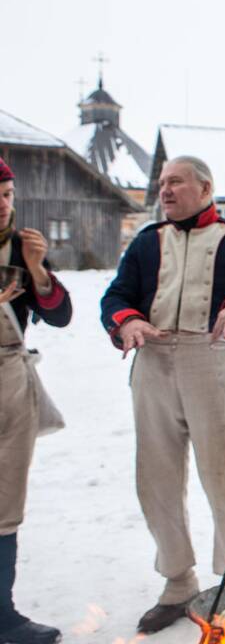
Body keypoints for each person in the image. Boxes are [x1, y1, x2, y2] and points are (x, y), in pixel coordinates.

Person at [100, 156, 225, 634]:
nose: (165, 190)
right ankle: (178, 581)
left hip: (214, 360)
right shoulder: (146, 243)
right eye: (162, 183)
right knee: (157, 478)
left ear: (205, 187)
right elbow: (115, 299)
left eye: (175, 181)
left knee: (223, 474)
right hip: (154, 361)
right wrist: (129, 320)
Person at [0, 159, 70, 644]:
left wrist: (36, 269)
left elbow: (60, 312)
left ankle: (3, 615)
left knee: (6, 500)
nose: (2, 203)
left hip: (9, 376)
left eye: (6, 194)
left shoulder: (22, 246)